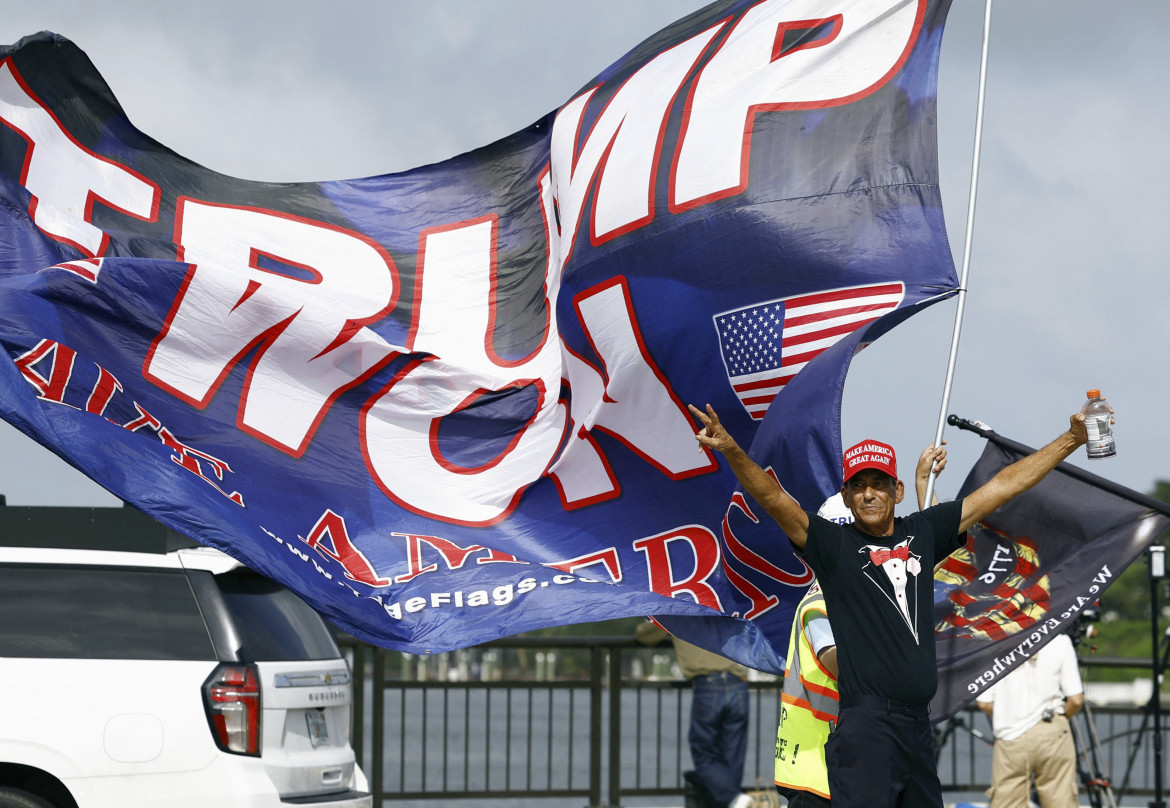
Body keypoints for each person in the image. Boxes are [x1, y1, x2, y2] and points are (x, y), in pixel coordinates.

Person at [688, 401, 1095, 808]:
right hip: (866, 728)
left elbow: (1004, 486)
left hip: (917, 726)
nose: (869, 494)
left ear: (896, 490)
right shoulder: (834, 547)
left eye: (879, 483)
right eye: (859, 485)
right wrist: (732, 450)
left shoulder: (922, 531)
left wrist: (1072, 439)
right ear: (846, 496)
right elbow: (774, 499)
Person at [775, 447, 950, 808]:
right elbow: (845, 659)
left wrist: (922, 485)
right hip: (822, 765)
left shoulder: (855, 594)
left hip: (855, 757)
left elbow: (931, 557)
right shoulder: (817, 605)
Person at [635, 619, 755, 808]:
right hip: (737, 682)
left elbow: (644, 635)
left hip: (708, 684)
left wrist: (659, 621)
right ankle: (733, 799)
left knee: (702, 750)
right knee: (733, 752)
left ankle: (734, 798)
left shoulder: (676, 610)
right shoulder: (718, 603)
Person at [976, 632, 1085, 808]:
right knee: (1061, 800)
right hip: (1052, 730)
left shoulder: (994, 644)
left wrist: (1008, 712)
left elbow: (984, 703)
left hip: (1011, 734)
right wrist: (1062, 718)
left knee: (1007, 801)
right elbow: (1076, 700)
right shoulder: (1060, 641)